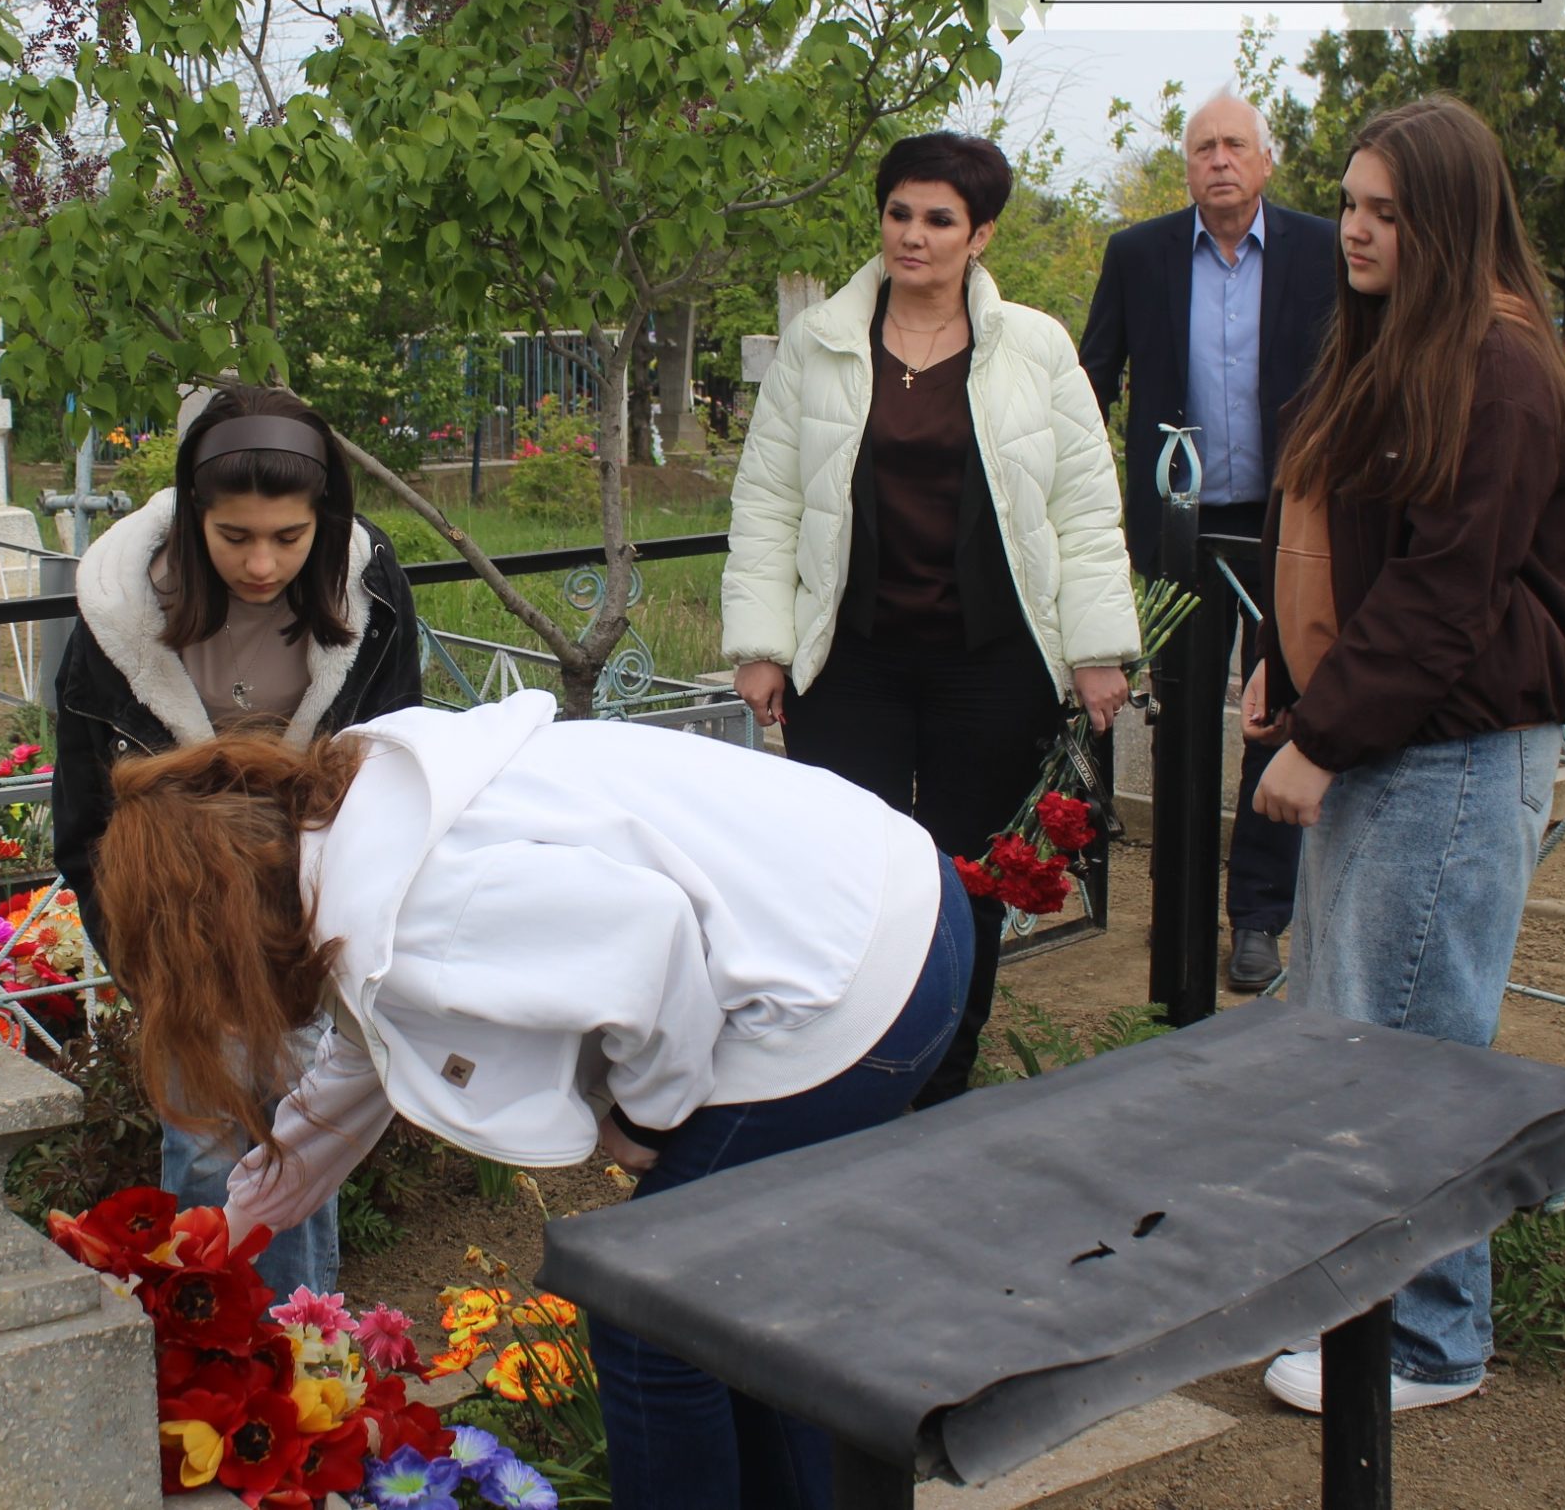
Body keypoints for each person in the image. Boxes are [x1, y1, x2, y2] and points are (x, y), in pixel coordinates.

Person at [94, 689, 976, 1510]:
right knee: (734, 1298)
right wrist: (230, 1229)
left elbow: (652, 937)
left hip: (856, 983)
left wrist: (647, 1116)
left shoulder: (419, 905)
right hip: (884, 889)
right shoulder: (363, 825)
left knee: (655, 1318)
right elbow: (356, 1071)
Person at [1242, 94, 1565, 1414]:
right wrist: (1284, 668)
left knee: (1417, 1051)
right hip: (1389, 733)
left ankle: (1432, 1340)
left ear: (1450, 222)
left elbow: (1448, 591)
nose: (1354, 229)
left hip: (1449, 751)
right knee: (1351, 1032)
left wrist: (1323, 735)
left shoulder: (1498, 368)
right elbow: (1337, 533)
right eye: (1349, 202)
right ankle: (1361, 1309)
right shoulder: (1399, 340)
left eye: (1387, 212)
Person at [723, 131, 1139, 1106]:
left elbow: (1083, 509)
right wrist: (761, 645)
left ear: (979, 234)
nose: (913, 235)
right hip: (850, 663)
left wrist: (1095, 650)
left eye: (939, 219)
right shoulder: (819, 343)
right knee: (848, 879)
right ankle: (845, 1077)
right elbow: (768, 501)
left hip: (988, 668)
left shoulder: (1034, 348)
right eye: (898, 213)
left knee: (966, 882)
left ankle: (944, 1082)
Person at [49, 384, 421, 1300]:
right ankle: (216, 1345)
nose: (262, 563)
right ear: (191, 516)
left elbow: (403, 765)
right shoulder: (118, 611)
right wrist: (145, 963)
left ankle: (297, 1347)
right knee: (209, 1143)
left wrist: (363, 927)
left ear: (325, 519)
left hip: (313, 906)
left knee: (302, 1133)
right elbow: (85, 818)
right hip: (176, 913)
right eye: (234, 536)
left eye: (289, 537)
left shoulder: (369, 593)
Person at [1080, 90, 1338, 992]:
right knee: (1182, 714)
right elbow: (1092, 381)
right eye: (1203, 148)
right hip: (1178, 529)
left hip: (1288, 528)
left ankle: (1258, 917)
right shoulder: (1139, 254)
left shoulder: (1320, 250)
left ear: (1265, 160)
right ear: (1186, 167)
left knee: (1276, 712)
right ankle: (1178, 902)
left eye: (1235, 145)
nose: (1219, 160)